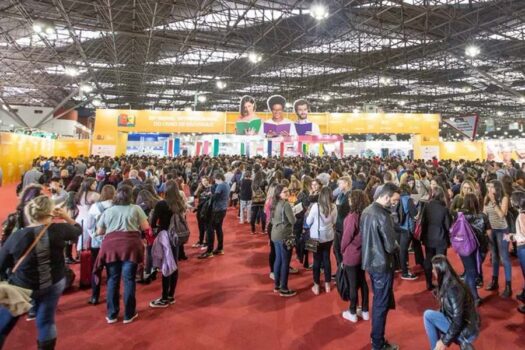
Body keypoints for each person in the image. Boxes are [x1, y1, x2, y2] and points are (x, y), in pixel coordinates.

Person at [0, 196, 82, 349]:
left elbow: (1, 262)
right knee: (46, 321)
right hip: (53, 283)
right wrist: (65, 216)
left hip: (22, 286)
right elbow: (78, 229)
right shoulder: (60, 230)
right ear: (51, 212)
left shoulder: (18, 236)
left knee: (4, 322)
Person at [94, 185, 150, 324]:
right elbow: (146, 227)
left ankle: (112, 314)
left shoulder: (108, 211)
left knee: (113, 279)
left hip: (111, 247)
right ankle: (129, 314)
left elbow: (100, 231)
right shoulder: (136, 209)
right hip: (130, 246)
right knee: (129, 279)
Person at [360, 183, 400, 350]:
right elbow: (390, 246)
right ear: (385, 196)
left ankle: (376, 339)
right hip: (382, 264)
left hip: (370, 262)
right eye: (394, 200)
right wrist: (397, 244)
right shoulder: (383, 216)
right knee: (380, 305)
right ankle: (377, 342)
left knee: (379, 301)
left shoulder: (366, 210)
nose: (395, 203)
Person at [423, 255, 480, 350]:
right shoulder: (446, 282)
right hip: (460, 324)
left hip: (466, 331)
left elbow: (458, 320)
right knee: (430, 316)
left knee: (428, 315)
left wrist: (444, 341)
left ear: (439, 270)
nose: (432, 271)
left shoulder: (453, 290)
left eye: (434, 269)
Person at [149, 180, 186, 308]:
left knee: (166, 265)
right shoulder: (180, 204)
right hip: (176, 236)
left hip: (164, 235)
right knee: (174, 264)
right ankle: (170, 295)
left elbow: (153, 222)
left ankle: (164, 298)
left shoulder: (161, 204)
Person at [456, 193, 490, 306]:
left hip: (465, 248)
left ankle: (471, 296)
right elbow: (489, 233)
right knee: (472, 272)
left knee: (470, 272)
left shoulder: (460, 216)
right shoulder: (483, 216)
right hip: (481, 248)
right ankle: (473, 297)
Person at [341, 189, 370, 323]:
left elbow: (346, 237)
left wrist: (342, 250)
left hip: (352, 254)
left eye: (351, 198)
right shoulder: (366, 215)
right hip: (363, 253)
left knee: (352, 284)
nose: (349, 200)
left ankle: (352, 311)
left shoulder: (352, 217)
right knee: (362, 282)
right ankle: (364, 310)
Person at [86, 185, 115, 305]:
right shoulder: (117, 207)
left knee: (96, 269)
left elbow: (89, 225)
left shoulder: (94, 207)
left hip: (97, 243)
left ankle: (95, 296)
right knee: (112, 270)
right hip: (112, 242)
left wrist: (94, 235)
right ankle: (112, 294)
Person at [483, 179, 512, 297]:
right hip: (492, 231)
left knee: (504, 257)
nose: (489, 189)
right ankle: (494, 281)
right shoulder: (486, 198)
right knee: (494, 256)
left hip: (503, 230)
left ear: (498, 188)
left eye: (492, 187)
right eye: (488, 186)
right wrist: (487, 230)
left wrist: (494, 201)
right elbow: (484, 214)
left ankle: (508, 286)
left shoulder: (504, 198)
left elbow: (502, 214)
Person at [305, 187, 336, 295]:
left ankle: (316, 285)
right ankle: (327, 284)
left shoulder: (315, 206)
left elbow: (308, 222)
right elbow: (334, 221)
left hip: (315, 236)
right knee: (326, 259)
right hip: (328, 236)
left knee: (316, 261)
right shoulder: (334, 206)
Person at [421, 186, 451, 291]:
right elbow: (448, 226)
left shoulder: (427, 206)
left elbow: (422, 222)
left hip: (428, 237)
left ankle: (429, 283)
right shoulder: (444, 209)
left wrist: (422, 236)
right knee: (441, 262)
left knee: (429, 260)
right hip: (441, 238)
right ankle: (441, 284)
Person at [270, 184, 297, 297]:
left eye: (287, 191)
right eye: (284, 192)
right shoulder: (286, 205)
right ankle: (284, 288)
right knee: (285, 262)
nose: (287, 193)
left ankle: (277, 285)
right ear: (279, 194)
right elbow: (293, 220)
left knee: (278, 260)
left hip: (275, 234)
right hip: (284, 235)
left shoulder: (274, 203)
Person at [199, 173, 230, 259]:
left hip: (217, 210)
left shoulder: (220, 186)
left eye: (215, 180)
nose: (215, 182)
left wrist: (209, 196)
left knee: (210, 229)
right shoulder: (226, 184)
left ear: (218, 178)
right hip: (223, 209)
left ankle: (209, 251)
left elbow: (215, 197)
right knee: (218, 228)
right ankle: (220, 248)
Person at [397, 183, 422, 280]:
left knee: (403, 249)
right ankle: (405, 272)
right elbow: (414, 214)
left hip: (400, 226)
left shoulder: (398, 198)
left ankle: (403, 267)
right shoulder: (408, 199)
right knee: (405, 249)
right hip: (408, 227)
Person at [334, 176, 352, 268]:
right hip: (338, 225)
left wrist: (336, 207)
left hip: (344, 226)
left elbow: (342, 211)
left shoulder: (349, 196)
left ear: (346, 183)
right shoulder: (340, 194)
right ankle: (339, 270)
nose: (338, 185)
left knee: (341, 249)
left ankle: (343, 269)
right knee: (336, 249)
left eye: (340, 183)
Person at [192, 176, 212, 248]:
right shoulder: (200, 188)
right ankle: (200, 241)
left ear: (208, 180)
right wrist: (198, 188)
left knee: (206, 227)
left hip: (207, 210)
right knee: (200, 227)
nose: (204, 182)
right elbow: (194, 195)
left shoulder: (211, 188)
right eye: (203, 181)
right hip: (200, 209)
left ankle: (206, 243)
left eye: (205, 180)